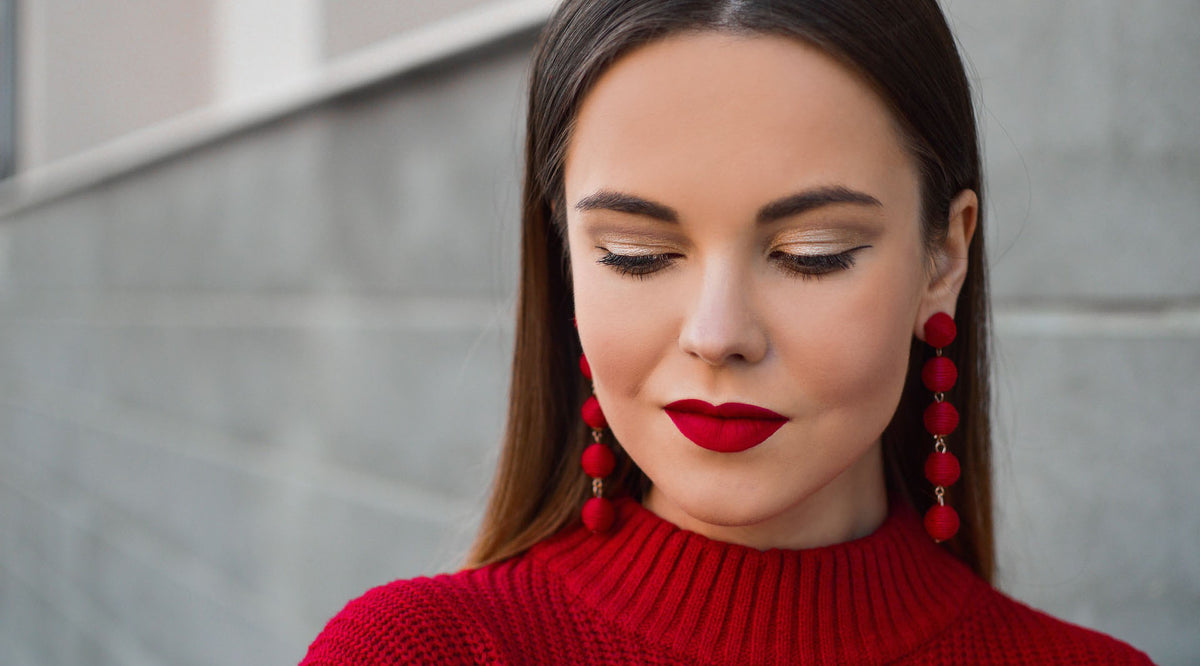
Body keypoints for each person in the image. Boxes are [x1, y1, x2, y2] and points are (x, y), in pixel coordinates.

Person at [301, 1, 1153, 663]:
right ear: (564, 256)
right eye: (636, 256)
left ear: (945, 254)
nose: (718, 334)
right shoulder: (416, 654)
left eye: (812, 254)